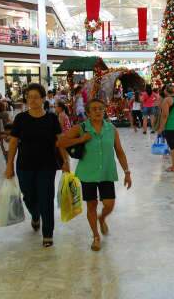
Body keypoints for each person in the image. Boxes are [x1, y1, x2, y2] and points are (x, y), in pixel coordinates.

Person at [56, 99, 132, 251]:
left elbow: (119, 151)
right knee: (91, 205)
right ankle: (96, 236)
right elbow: (60, 143)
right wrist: (81, 139)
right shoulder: (81, 128)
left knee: (109, 205)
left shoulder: (111, 129)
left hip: (106, 173)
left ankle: (102, 218)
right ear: (88, 113)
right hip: (87, 174)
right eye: (94, 109)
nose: (98, 111)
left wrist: (127, 172)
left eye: (101, 108)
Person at [5, 83, 69, 248]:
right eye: (29, 97)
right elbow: (13, 143)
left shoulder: (51, 118)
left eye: (35, 97)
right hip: (24, 166)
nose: (32, 100)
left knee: (46, 199)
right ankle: (35, 215)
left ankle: (48, 234)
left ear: (43, 99)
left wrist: (66, 161)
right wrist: (9, 164)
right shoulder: (21, 118)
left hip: (47, 166)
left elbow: (59, 140)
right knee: (29, 196)